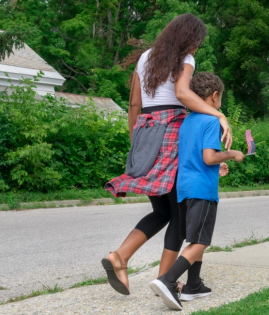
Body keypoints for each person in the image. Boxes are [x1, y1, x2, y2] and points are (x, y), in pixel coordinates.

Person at [101, 13, 232, 296]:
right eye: (197, 42)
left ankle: (121, 257)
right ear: (189, 39)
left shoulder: (146, 57)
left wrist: (136, 141)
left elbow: (134, 103)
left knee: (160, 210)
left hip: (144, 130)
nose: (197, 48)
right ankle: (165, 281)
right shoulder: (185, 57)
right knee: (178, 215)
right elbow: (183, 93)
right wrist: (219, 114)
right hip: (171, 131)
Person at [150, 72, 245, 310]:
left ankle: (194, 285)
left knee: (194, 237)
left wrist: (217, 165)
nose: (220, 102)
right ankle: (168, 280)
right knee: (201, 242)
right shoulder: (212, 121)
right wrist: (232, 154)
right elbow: (209, 156)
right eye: (221, 97)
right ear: (214, 96)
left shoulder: (189, 120)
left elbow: (199, 158)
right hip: (202, 190)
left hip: (184, 188)